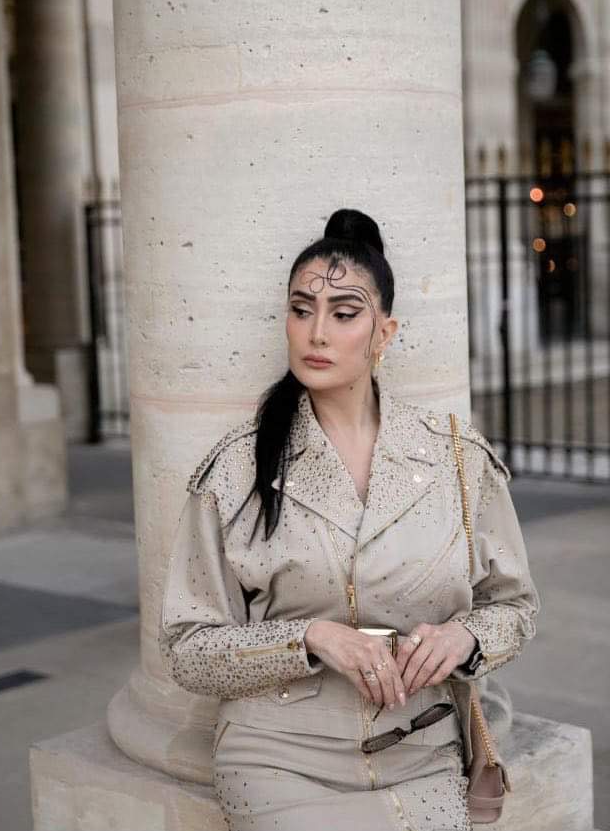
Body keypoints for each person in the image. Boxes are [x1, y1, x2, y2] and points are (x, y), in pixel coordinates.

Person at [159, 208, 540, 831]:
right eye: (301, 309)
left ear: (384, 333)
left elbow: (515, 607)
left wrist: (464, 639)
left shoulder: (457, 457)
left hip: (423, 750)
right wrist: (310, 639)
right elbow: (187, 649)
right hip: (277, 755)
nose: (316, 333)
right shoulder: (235, 469)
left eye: (343, 314)